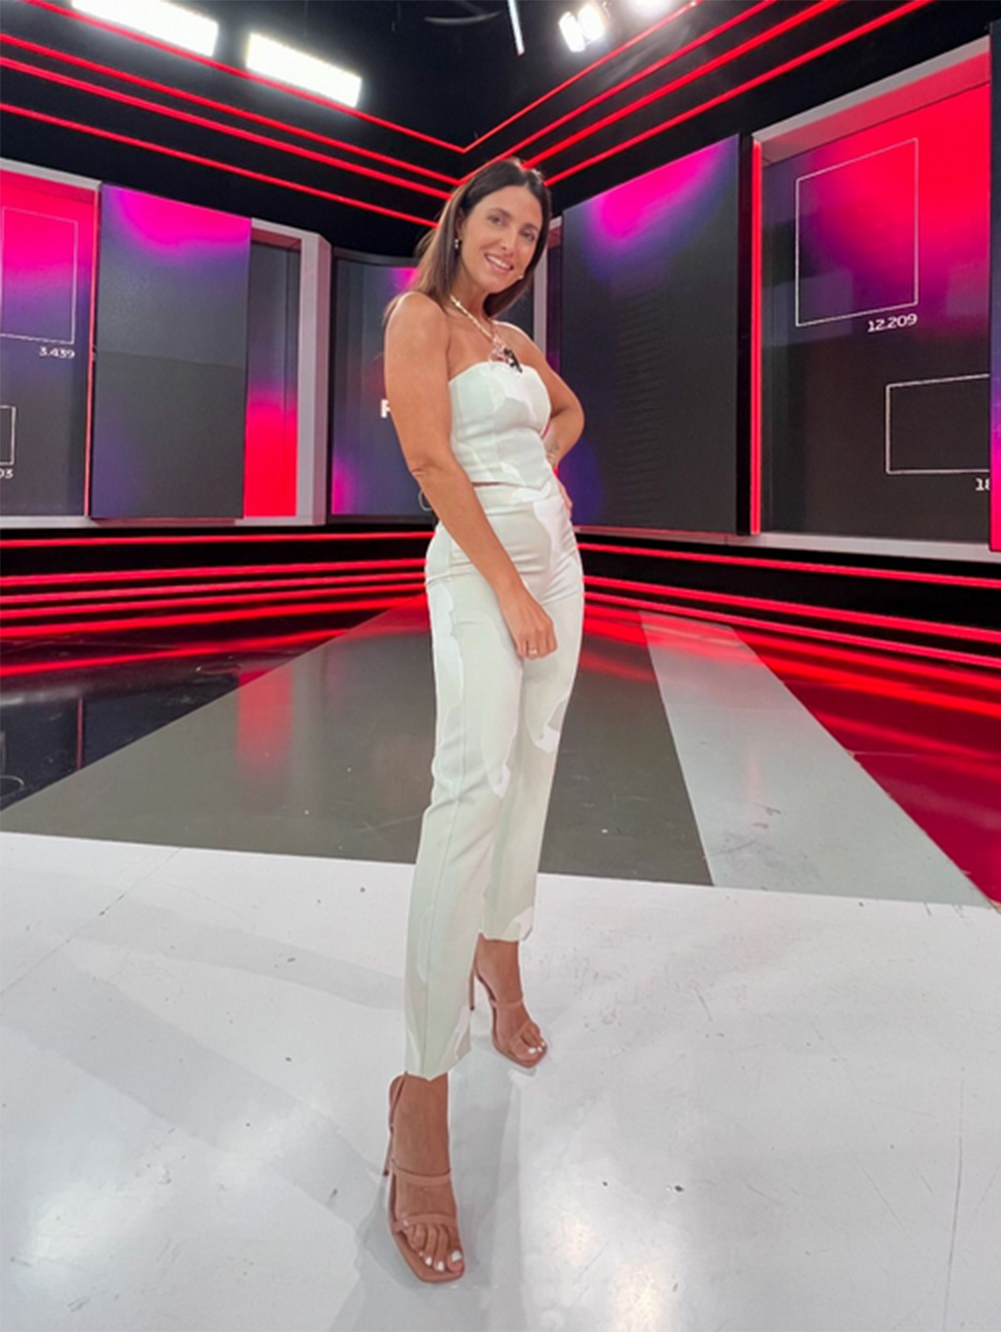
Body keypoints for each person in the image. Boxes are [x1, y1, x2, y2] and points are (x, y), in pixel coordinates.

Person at [380, 157, 585, 1284]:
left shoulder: (504, 336)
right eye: (497, 219)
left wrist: (540, 472)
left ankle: (499, 956)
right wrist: (508, 576)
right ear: (460, 222)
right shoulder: (418, 317)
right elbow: (426, 458)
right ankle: (421, 1088)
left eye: (530, 233)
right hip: (478, 563)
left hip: (556, 554)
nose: (512, 241)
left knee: (534, 761)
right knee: (469, 791)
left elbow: (569, 410)